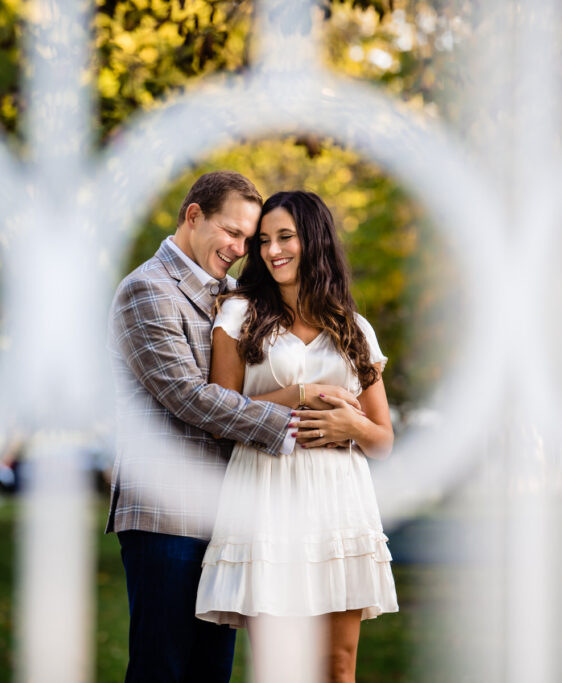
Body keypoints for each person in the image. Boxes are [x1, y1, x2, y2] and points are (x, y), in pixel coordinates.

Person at [107, 172, 360, 683]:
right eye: (232, 232)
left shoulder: (235, 297)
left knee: (211, 670)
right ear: (193, 216)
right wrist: (305, 405)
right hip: (166, 511)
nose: (242, 248)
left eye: (250, 239)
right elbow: (190, 398)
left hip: (230, 512)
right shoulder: (146, 290)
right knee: (164, 667)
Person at [195, 190, 399, 683]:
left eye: (285, 237)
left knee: (337, 666)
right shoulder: (240, 314)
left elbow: (383, 439)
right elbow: (222, 413)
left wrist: (353, 427)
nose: (271, 250)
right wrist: (300, 394)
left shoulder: (354, 328)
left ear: (315, 240)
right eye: (263, 240)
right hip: (266, 494)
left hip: (338, 499)